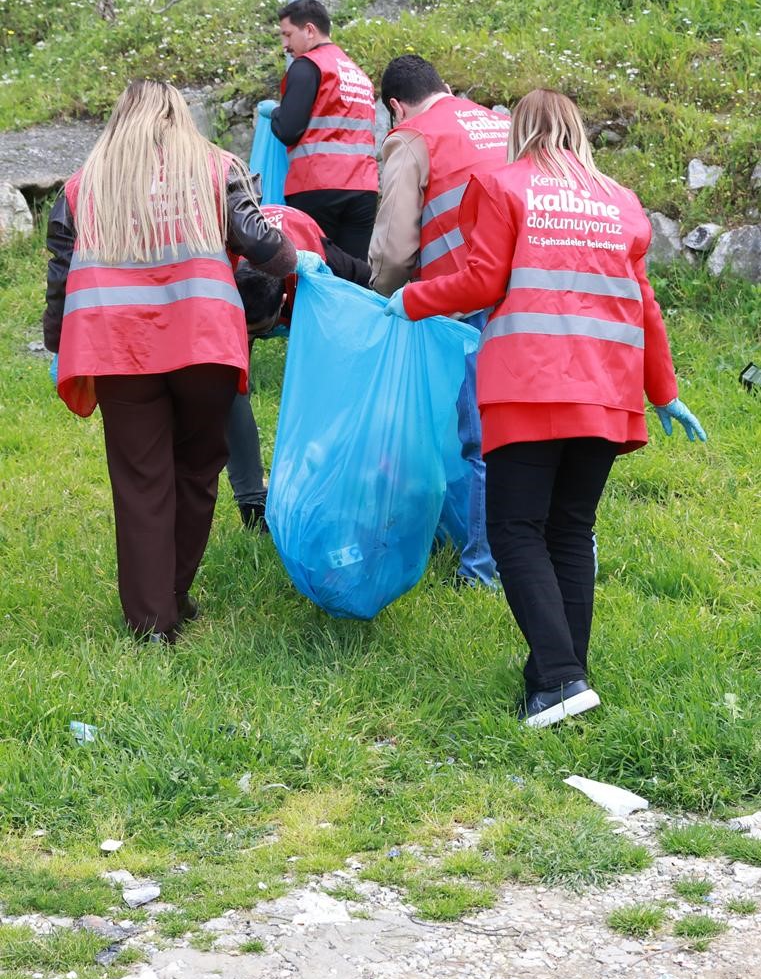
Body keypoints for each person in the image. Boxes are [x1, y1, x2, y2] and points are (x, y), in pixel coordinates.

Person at [385, 88, 706, 728]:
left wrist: (411, 299)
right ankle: (560, 679)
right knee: (568, 530)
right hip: (607, 393)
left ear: (520, 130)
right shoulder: (621, 202)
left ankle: (560, 679)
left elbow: (481, 281)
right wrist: (663, 393)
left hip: (528, 387)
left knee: (514, 531)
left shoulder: (502, 187)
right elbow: (645, 306)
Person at [43, 80, 298, 644]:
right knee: (198, 468)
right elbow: (268, 250)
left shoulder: (84, 186)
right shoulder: (215, 168)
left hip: (114, 346)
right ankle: (177, 593)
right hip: (201, 341)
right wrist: (294, 252)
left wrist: (60, 343)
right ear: (179, 116)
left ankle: (150, 623)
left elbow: (60, 277)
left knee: (140, 481)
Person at [369, 54, 511, 587]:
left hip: (469, 297)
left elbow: (395, 247)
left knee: (479, 437)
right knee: (514, 430)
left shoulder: (411, 136)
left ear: (395, 106)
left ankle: (482, 569)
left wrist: (380, 300)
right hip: (530, 296)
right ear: (445, 87)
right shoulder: (501, 121)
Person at [226, 203, 372, 528]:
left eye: (260, 332)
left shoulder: (323, 269)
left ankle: (334, 483)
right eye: (247, 335)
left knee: (331, 386)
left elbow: (371, 284)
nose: (253, 340)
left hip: (298, 255)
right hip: (242, 293)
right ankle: (252, 502)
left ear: (282, 303)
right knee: (230, 389)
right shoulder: (224, 272)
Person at [260, 0, 378, 258]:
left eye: (288, 34)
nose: (285, 45)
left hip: (317, 185)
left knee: (313, 269)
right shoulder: (357, 74)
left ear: (310, 30)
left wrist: (274, 112)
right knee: (353, 272)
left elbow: (289, 129)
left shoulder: (308, 66)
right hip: (363, 187)